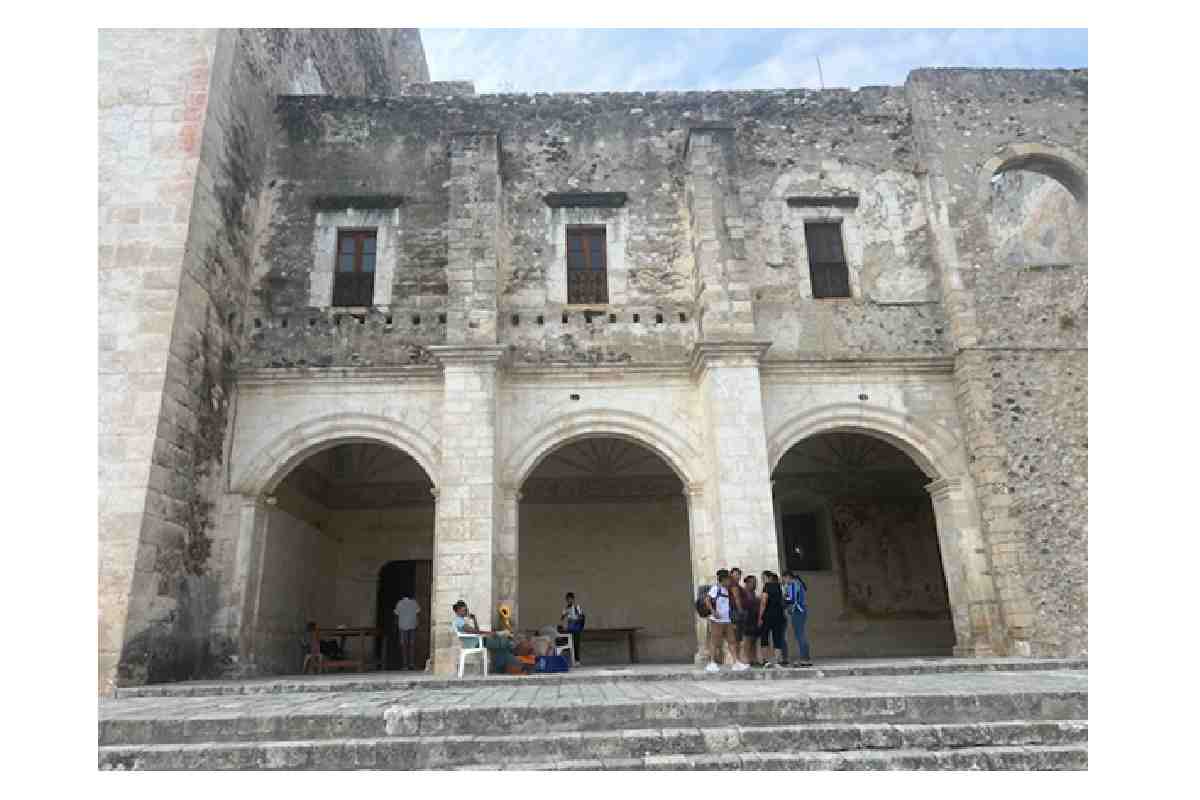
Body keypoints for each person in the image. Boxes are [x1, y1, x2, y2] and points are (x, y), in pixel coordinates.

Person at [451, 600, 528, 674]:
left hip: (478, 641)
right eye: (464, 610)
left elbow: (476, 630)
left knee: (502, 650)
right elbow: (474, 632)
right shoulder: (459, 621)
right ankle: (514, 648)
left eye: (466, 610)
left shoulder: (461, 620)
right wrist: (491, 633)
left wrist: (474, 619)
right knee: (504, 643)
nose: (466, 612)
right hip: (476, 643)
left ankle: (509, 664)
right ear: (458, 611)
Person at [705, 569, 749, 673]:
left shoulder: (726, 589)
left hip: (727, 620)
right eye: (728, 579)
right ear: (724, 579)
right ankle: (711, 662)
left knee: (732, 641)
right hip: (717, 620)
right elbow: (707, 600)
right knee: (715, 641)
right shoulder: (715, 588)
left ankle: (735, 662)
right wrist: (713, 611)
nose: (730, 581)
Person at [757, 571, 788, 668]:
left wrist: (760, 616)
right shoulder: (780, 587)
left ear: (768, 577)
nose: (762, 580)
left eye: (763, 578)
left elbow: (763, 602)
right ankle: (776, 661)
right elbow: (784, 600)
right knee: (777, 638)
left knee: (764, 637)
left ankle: (766, 661)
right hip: (779, 616)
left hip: (767, 616)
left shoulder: (767, 586)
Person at [782, 570, 812, 667]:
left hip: (798, 611)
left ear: (788, 577)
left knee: (800, 634)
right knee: (801, 634)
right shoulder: (798, 584)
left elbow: (791, 599)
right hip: (801, 611)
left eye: (784, 578)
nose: (783, 580)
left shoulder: (793, 584)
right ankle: (806, 658)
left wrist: (784, 593)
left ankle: (805, 658)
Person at [393, 593, 421, 671]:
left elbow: (396, 614)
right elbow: (418, 613)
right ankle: (411, 663)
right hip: (412, 625)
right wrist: (417, 624)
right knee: (412, 645)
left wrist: (396, 625)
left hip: (402, 626)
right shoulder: (414, 602)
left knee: (404, 646)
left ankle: (405, 665)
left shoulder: (400, 603)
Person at [740, 574, 762, 666]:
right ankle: (746, 659)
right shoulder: (743, 593)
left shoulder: (753, 594)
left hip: (754, 618)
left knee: (754, 640)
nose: (755, 584)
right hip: (747, 619)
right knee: (747, 640)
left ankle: (754, 659)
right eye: (753, 582)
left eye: (756, 582)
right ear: (747, 583)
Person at [558, 592, 586, 665]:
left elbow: (581, 616)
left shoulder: (577, 607)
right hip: (569, 628)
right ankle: (569, 660)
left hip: (576, 628)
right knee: (568, 644)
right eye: (568, 599)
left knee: (576, 644)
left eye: (570, 599)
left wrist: (575, 620)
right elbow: (562, 618)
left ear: (573, 599)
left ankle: (577, 661)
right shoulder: (566, 608)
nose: (569, 601)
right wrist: (564, 615)